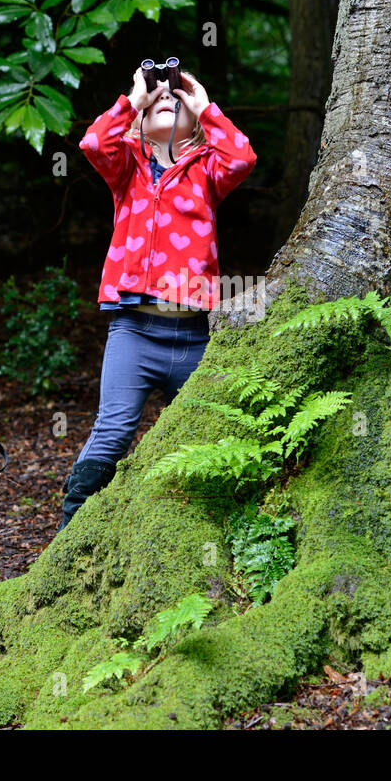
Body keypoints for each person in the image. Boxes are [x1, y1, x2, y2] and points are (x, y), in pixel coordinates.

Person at [58, 64, 257, 530]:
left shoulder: (208, 166)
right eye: (158, 100)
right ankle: (71, 533)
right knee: (112, 432)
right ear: (141, 122)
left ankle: (192, 532)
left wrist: (205, 104)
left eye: (177, 100)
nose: (167, 99)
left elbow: (243, 157)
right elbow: (93, 143)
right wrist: (134, 98)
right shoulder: (126, 165)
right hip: (135, 332)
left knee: (201, 437)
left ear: (196, 124)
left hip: (194, 336)